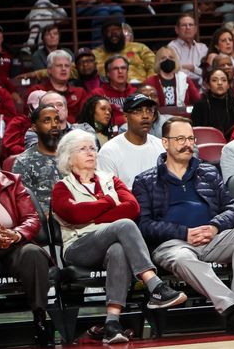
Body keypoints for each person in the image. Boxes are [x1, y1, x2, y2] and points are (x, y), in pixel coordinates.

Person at [132, 117, 234, 334]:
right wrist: (184, 233)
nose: (187, 144)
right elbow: (144, 225)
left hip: (212, 239)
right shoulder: (145, 180)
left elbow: (230, 207)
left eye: (191, 138)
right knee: (183, 258)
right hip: (173, 245)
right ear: (165, 142)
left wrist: (214, 227)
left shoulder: (208, 172)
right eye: (180, 138)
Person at [51, 130, 187, 345]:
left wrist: (92, 216)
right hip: (79, 246)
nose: (91, 153)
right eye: (83, 149)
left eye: (93, 148)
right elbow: (74, 214)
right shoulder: (62, 187)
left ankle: (112, 323)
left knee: (119, 249)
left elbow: (132, 208)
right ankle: (155, 285)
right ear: (69, 156)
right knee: (123, 225)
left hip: (109, 242)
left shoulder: (109, 179)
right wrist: (108, 203)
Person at [0, 129, 54, 347]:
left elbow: (32, 218)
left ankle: (41, 320)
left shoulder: (12, 181)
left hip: (14, 247)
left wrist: (15, 234)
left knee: (33, 253)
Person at [97, 93, 165, 188]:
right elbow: (108, 193)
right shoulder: (108, 152)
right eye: (138, 111)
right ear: (126, 115)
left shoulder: (162, 147)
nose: (145, 116)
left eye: (149, 110)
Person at [11, 105, 61, 213]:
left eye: (56, 120)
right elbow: (22, 204)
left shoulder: (72, 154)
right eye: (47, 121)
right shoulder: (24, 161)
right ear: (34, 127)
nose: (54, 125)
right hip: (46, 223)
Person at [27, 50, 88, 123]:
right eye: (59, 65)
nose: (63, 69)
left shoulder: (80, 92)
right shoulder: (37, 91)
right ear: (49, 70)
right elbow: (34, 119)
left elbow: (85, 119)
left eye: (67, 66)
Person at [191, 68, 234, 139]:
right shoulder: (200, 105)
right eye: (214, 80)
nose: (219, 83)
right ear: (208, 85)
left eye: (224, 80)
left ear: (228, 85)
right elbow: (196, 132)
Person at [168, 14, 208, 84]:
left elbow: (208, 72)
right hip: (181, 85)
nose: (188, 27)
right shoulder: (172, 47)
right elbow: (175, 72)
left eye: (191, 25)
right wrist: (198, 71)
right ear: (177, 30)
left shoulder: (203, 48)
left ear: (195, 29)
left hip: (202, 87)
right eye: (184, 25)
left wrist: (193, 68)